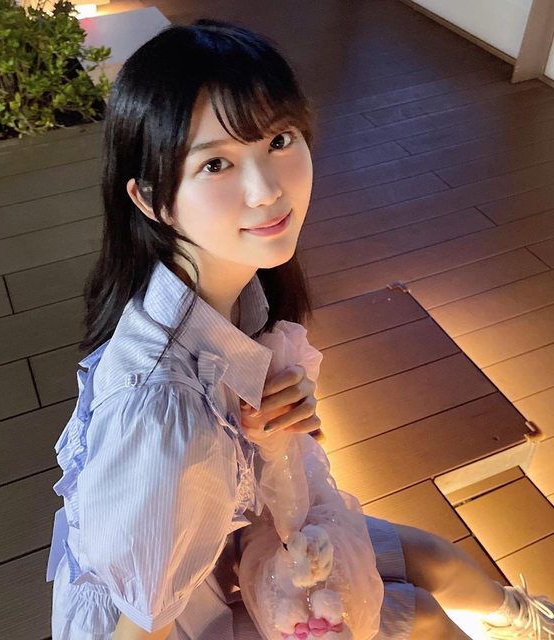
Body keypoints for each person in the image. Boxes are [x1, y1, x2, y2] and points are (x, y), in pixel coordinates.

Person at [45, 18, 554, 640]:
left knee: (436, 559)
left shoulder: (224, 290)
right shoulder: (166, 415)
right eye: (216, 164)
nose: (266, 190)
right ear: (152, 199)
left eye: (279, 140)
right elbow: (138, 626)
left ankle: (529, 623)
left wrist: (270, 433)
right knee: (423, 618)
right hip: (179, 616)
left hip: (232, 541)